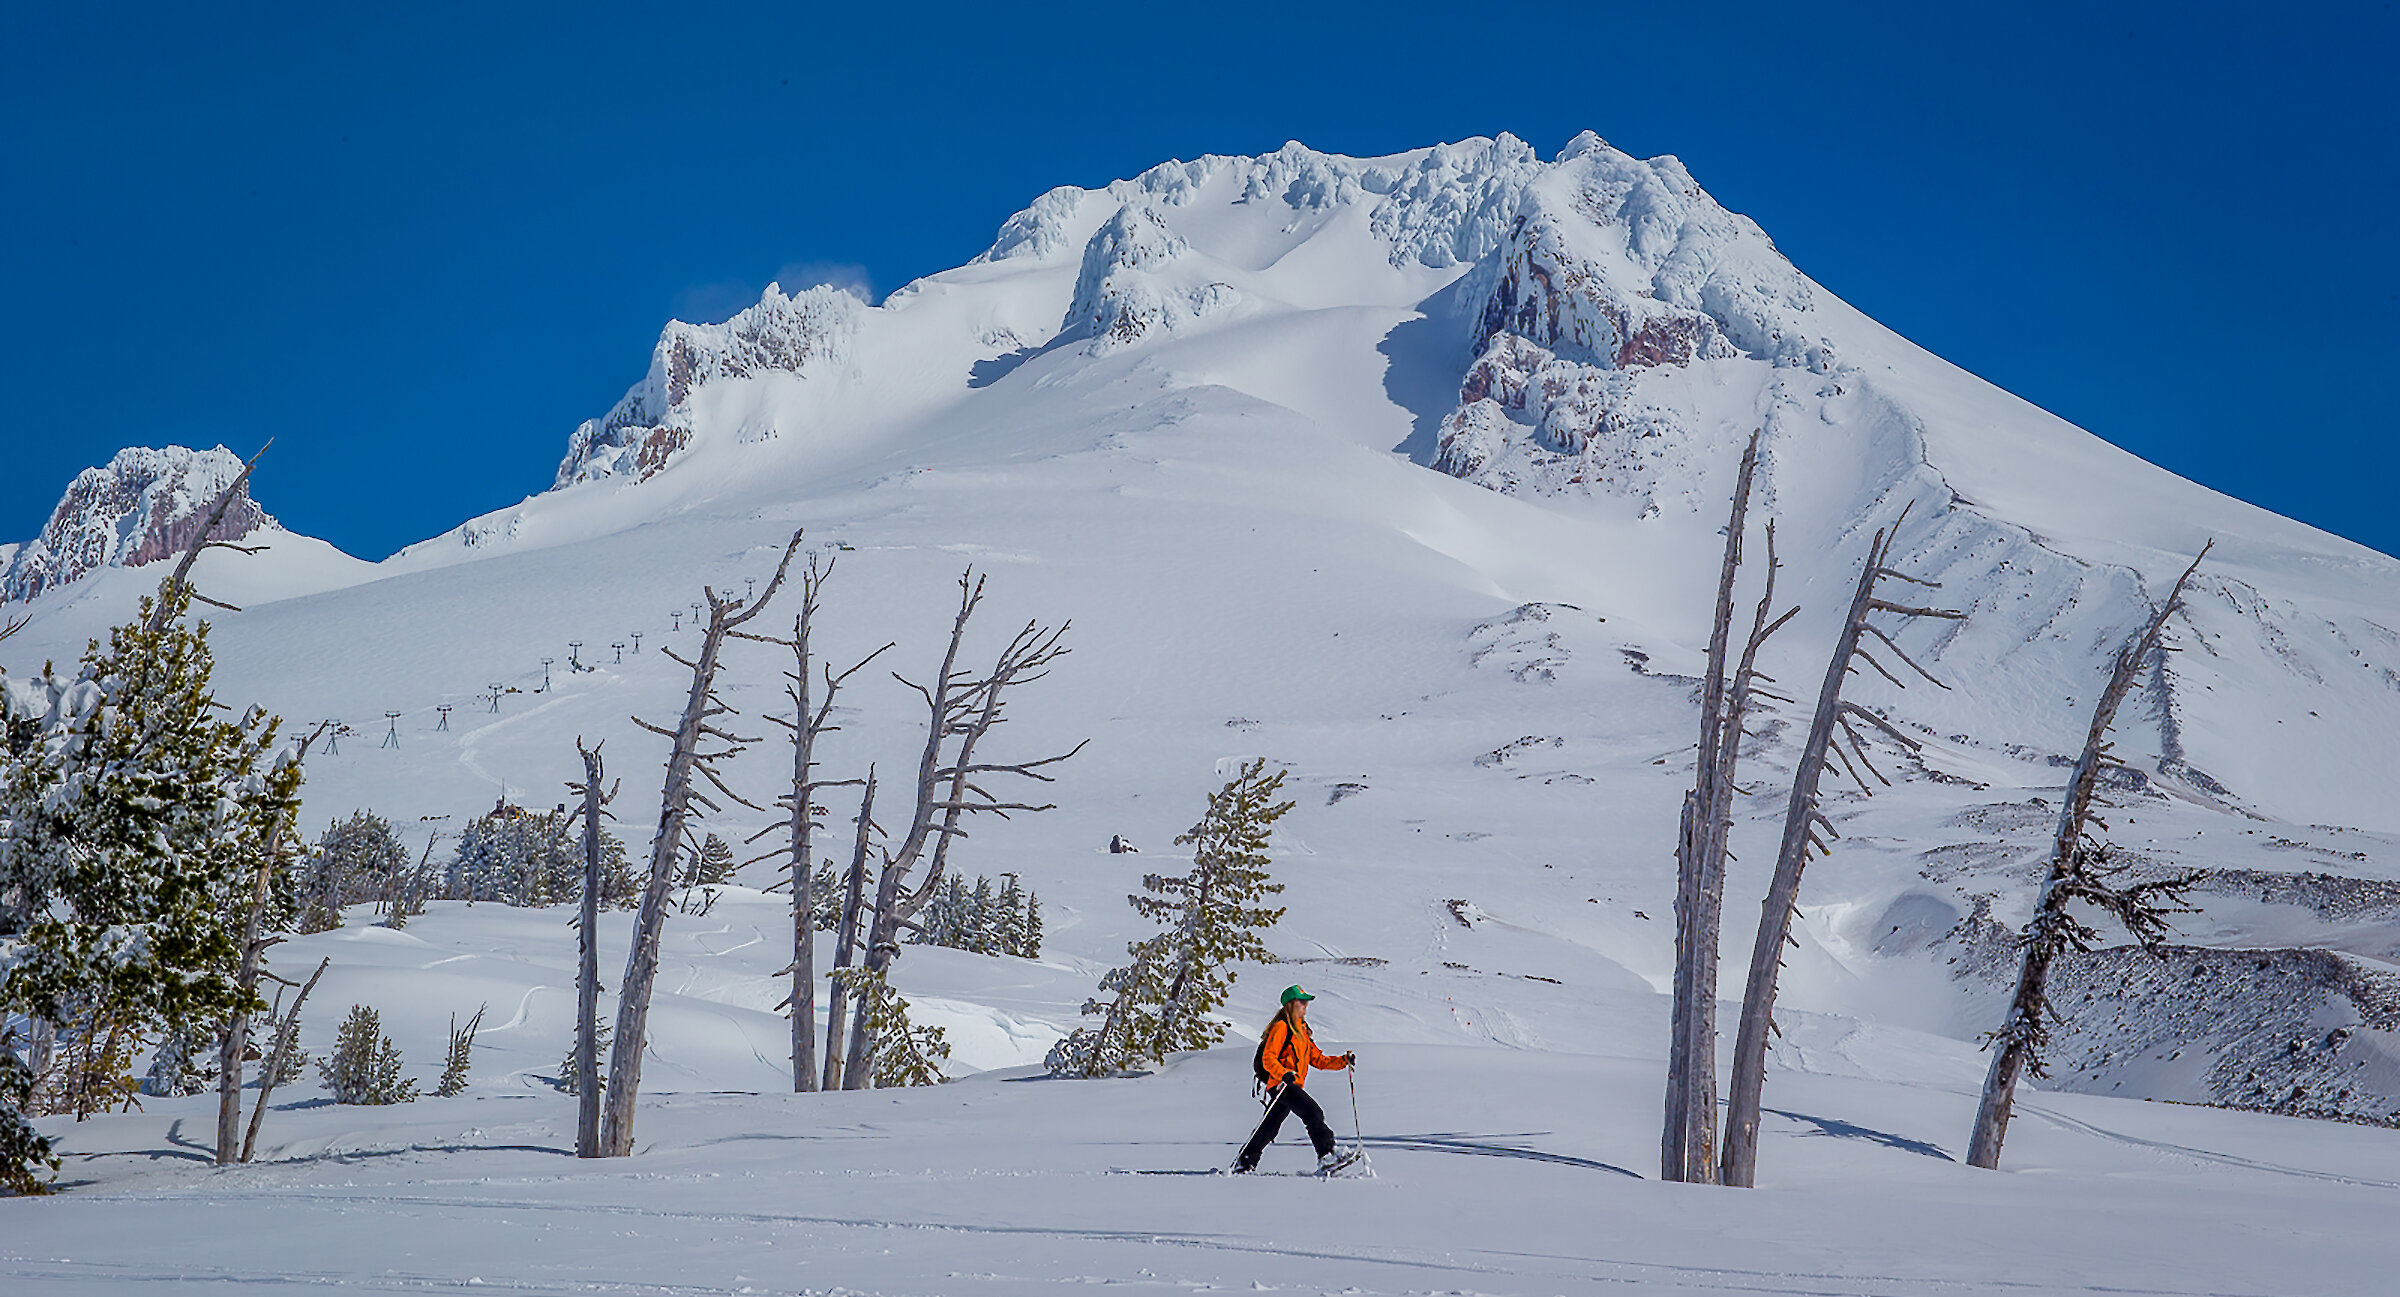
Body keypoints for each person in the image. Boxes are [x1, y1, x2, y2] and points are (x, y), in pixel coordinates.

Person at [1232, 985, 1355, 1174]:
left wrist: (1342, 1061)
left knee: (1270, 1127)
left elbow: (1318, 1060)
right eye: (1302, 1001)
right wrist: (1283, 1073)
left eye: (1306, 1001)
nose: (1306, 1005)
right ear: (1290, 1004)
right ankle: (1327, 1154)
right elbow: (1268, 1058)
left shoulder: (1302, 1030)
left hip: (1290, 1084)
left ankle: (1245, 1161)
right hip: (1282, 1084)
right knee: (1313, 1112)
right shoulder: (1281, 1027)